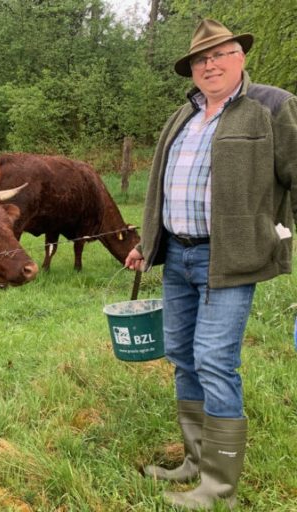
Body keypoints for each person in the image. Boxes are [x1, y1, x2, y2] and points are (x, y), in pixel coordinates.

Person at [125, 18, 297, 510]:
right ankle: (195, 460)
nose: (211, 64)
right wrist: (149, 241)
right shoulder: (184, 115)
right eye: (201, 59)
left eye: (221, 54)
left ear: (240, 57)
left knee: (215, 361)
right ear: (192, 70)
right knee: (181, 354)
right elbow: (164, 188)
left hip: (232, 257)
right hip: (177, 254)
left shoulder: (272, 106)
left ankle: (218, 485)